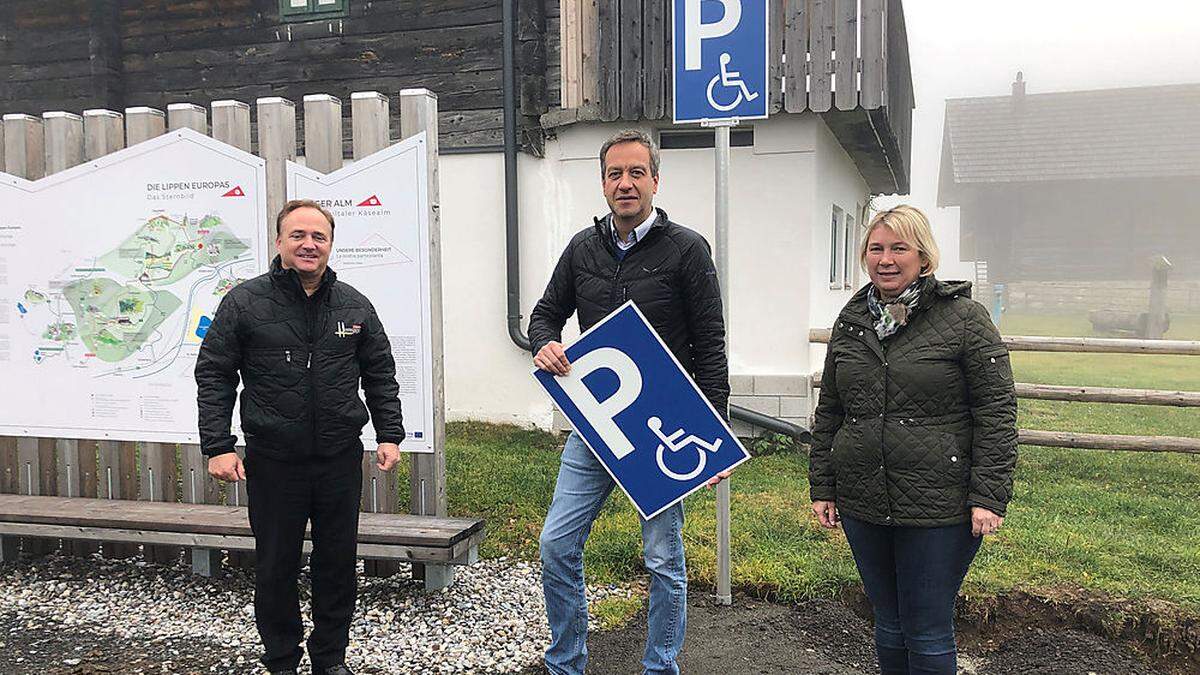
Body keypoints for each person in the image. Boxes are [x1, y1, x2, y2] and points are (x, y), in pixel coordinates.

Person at [528, 129, 731, 675]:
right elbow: (544, 314)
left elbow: (710, 342)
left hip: (662, 423)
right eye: (615, 174)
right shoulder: (582, 248)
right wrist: (545, 341)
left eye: (636, 173)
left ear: (655, 180)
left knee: (663, 558)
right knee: (555, 544)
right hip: (596, 421)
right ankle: (566, 663)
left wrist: (714, 432)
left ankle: (660, 666)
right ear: (603, 183)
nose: (625, 184)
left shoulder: (687, 249)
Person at [195, 199, 405, 675]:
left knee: (337, 565)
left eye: (319, 237)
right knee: (275, 567)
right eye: (298, 236)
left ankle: (330, 660)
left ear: (330, 244)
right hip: (274, 461)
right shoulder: (244, 303)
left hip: (337, 460)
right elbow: (214, 374)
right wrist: (218, 444)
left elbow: (379, 374)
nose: (309, 245)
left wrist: (389, 433)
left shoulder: (354, 305)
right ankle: (282, 661)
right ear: (279, 242)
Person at [808, 205, 1017, 675]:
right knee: (888, 620)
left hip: (939, 505)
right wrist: (823, 485)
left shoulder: (964, 319)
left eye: (899, 248)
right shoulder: (852, 318)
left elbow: (997, 412)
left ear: (923, 257)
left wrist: (988, 496)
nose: (886, 258)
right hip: (864, 498)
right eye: (876, 248)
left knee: (926, 625)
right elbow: (832, 411)